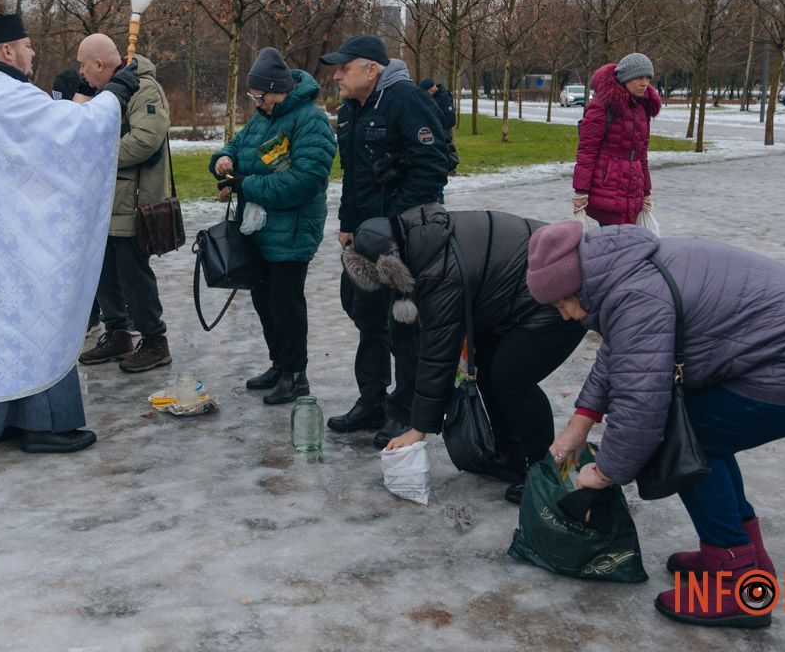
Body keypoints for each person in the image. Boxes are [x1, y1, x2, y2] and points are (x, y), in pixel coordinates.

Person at [528, 222, 785, 628]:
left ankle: (737, 585)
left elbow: (642, 406)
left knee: (685, 443)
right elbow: (624, 350)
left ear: (575, 286)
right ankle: (746, 558)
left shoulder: (634, 295)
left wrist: (605, 472)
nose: (565, 316)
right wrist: (582, 421)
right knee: (704, 434)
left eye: (560, 305)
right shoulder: (621, 269)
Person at [0, 13, 141, 454]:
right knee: (36, 323)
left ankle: (0, 422)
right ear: (7, 51)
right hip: (14, 243)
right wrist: (116, 93)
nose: (32, 52)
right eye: (26, 44)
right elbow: (69, 132)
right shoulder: (3, 95)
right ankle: (44, 425)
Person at [352, 204, 586, 503]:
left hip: (560, 295)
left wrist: (419, 428)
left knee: (512, 378)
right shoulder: (421, 235)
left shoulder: (438, 272)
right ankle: (511, 455)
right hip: (516, 293)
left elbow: (438, 354)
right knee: (489, 368)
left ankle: (546, 471)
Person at [319, 34, 450, 448]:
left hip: (403, 239)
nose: (337, 74)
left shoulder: (407, 101)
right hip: (363, 238)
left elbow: (432, 170)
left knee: (403, 326)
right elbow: (353, 176)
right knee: (367, 319)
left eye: (345, 67)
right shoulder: (350, 111)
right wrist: (347, 223)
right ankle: (371, 400)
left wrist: (389, 224)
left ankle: (405, 410)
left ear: (371, 69)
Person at [209, 48, 337, 405]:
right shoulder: (264, 117)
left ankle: (296, 376)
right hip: (261, 230)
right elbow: (238, 144)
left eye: (259, 96)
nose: (256, 102)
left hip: (293, 231)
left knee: (286, 304)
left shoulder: (310, 120)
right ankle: (279, 364)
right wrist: (223, 159)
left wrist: (246, 185)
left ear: (277, 90)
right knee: (265, 301)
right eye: (253, 96)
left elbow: (305, 181)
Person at [72, 34, 174, 372]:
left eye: (83, 65)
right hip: (108, 201)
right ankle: (117, 333)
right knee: (104, 271)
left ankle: (154, 339)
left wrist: (98, 155)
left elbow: (146, 139)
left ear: (100, 64)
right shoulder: (108, 92)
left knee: (133, 273)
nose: (80, 72)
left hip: (134, 202)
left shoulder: (144, 89)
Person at [572, 52, 661, 225]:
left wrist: (646, 191)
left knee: (629, 245)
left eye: (648, 78)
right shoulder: (602, 106)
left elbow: (641, 154)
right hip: (607, 188)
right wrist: (581, 191)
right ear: (626, 78)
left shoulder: (643, 107)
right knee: (611, 243)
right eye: (639, 78)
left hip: (633, 188)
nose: (645, 83)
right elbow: (587, 151)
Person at [418, 77, 460, 172]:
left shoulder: (444, 98)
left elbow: (450, 120)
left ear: (432, 89)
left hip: (441, 136)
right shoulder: (428, 98)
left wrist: (434, 123)